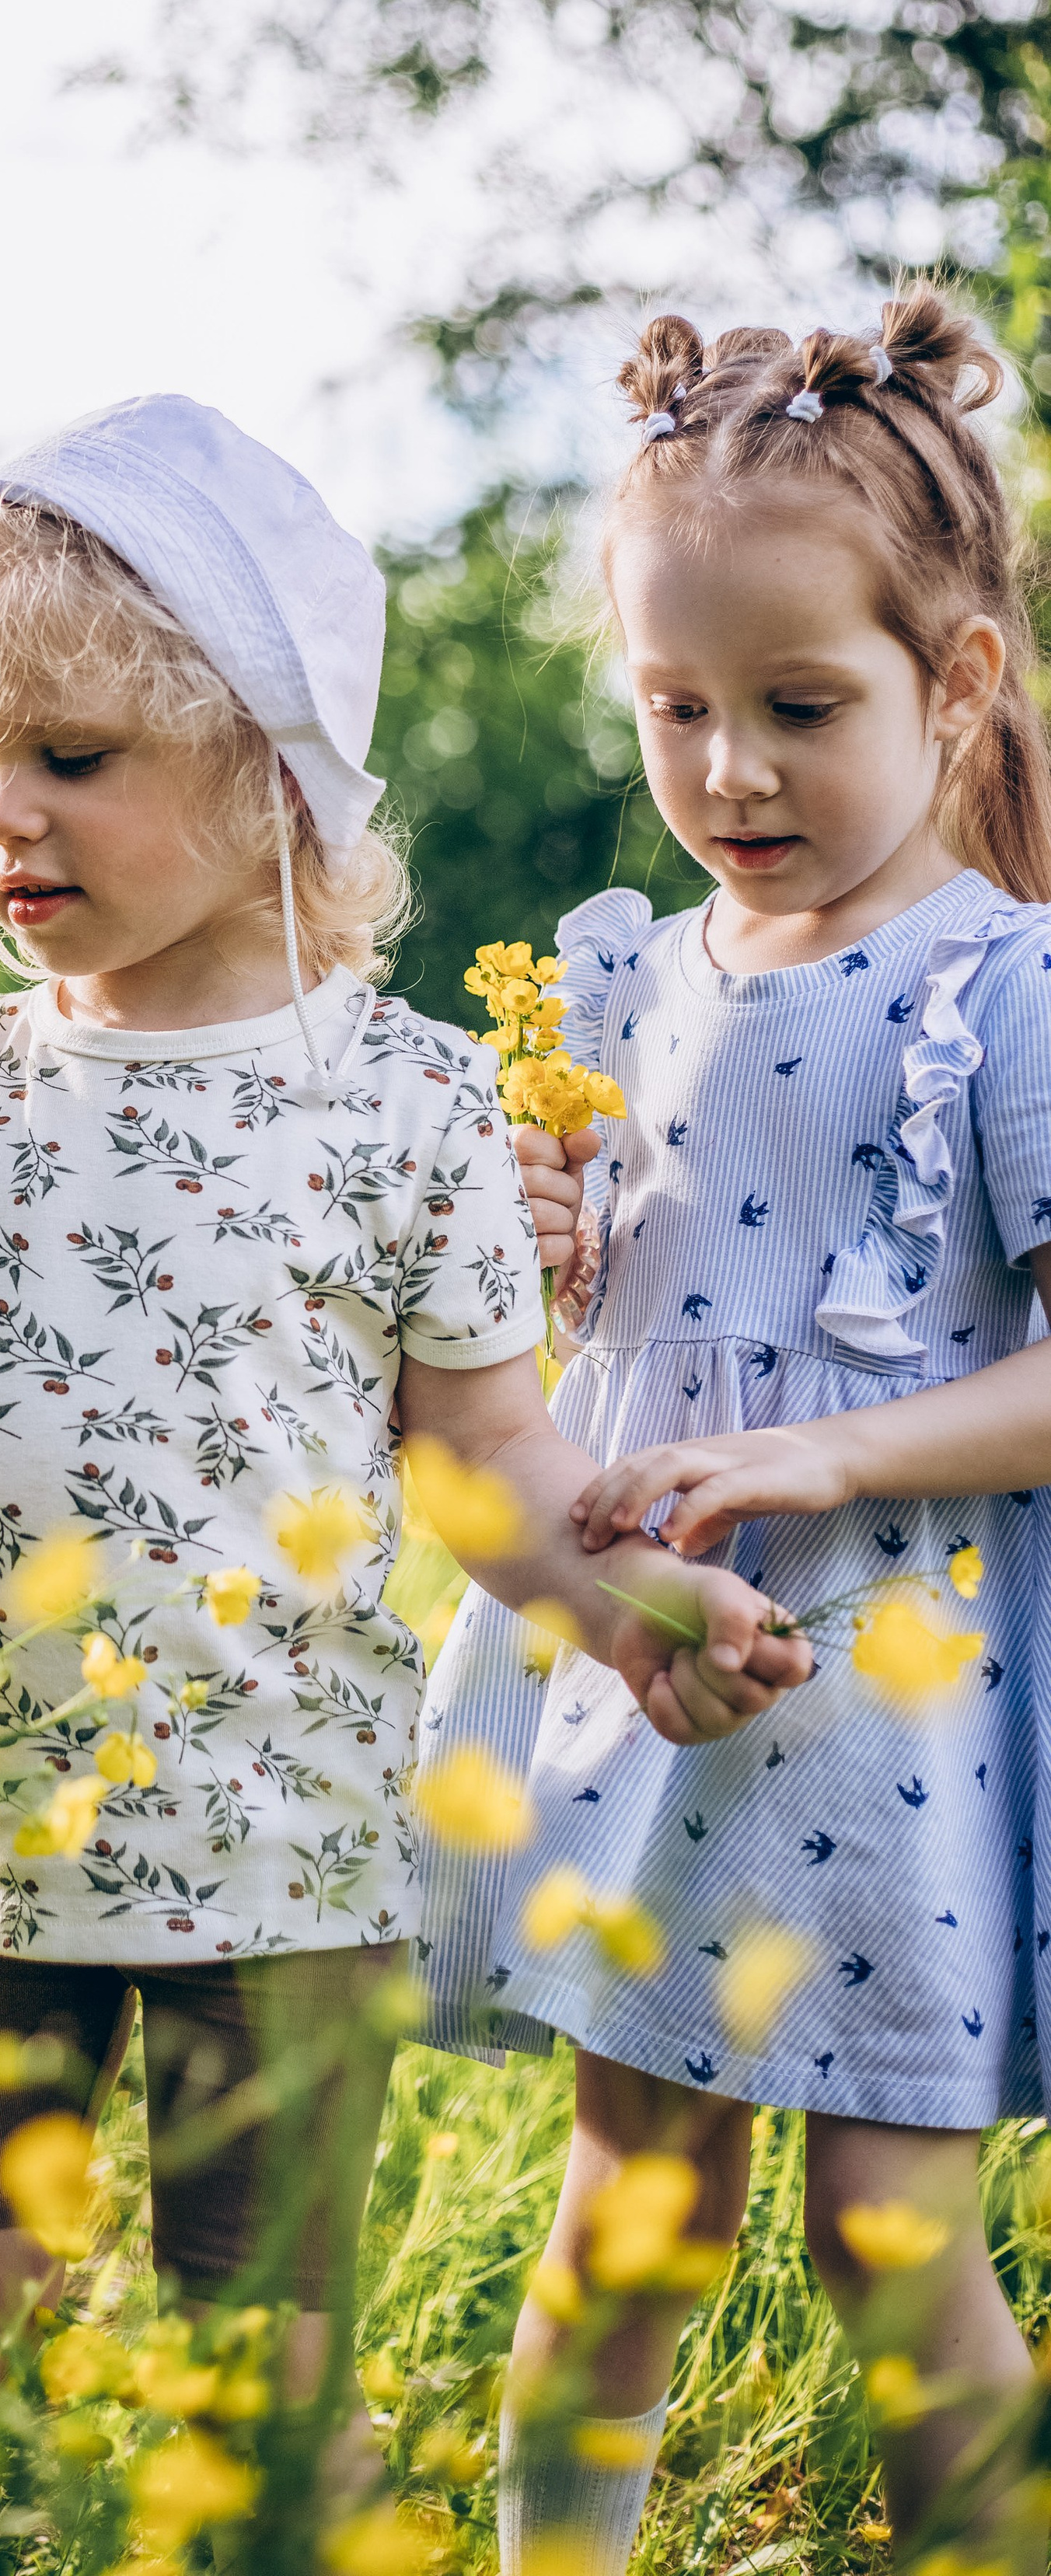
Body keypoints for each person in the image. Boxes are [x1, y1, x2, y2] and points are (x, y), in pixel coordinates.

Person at [0, 395, 806, 2568]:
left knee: (262, 2399)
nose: (4, 817)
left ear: (270, 766)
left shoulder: (409, 1103)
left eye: (72, 758)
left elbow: (488, 1465)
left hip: (290, 1889)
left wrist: (642, 1605)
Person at [418, 288, 1051, 2573]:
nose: (732, 776)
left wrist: (818, 1461)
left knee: (900, 2248)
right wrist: (537, 1232)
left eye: (802, 709)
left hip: (897, 1697)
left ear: (955, 682)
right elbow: (589, 1323)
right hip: (654, 1670)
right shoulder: (626, 975)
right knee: (631, 2217)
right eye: (679, 710)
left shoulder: (1003, 983)